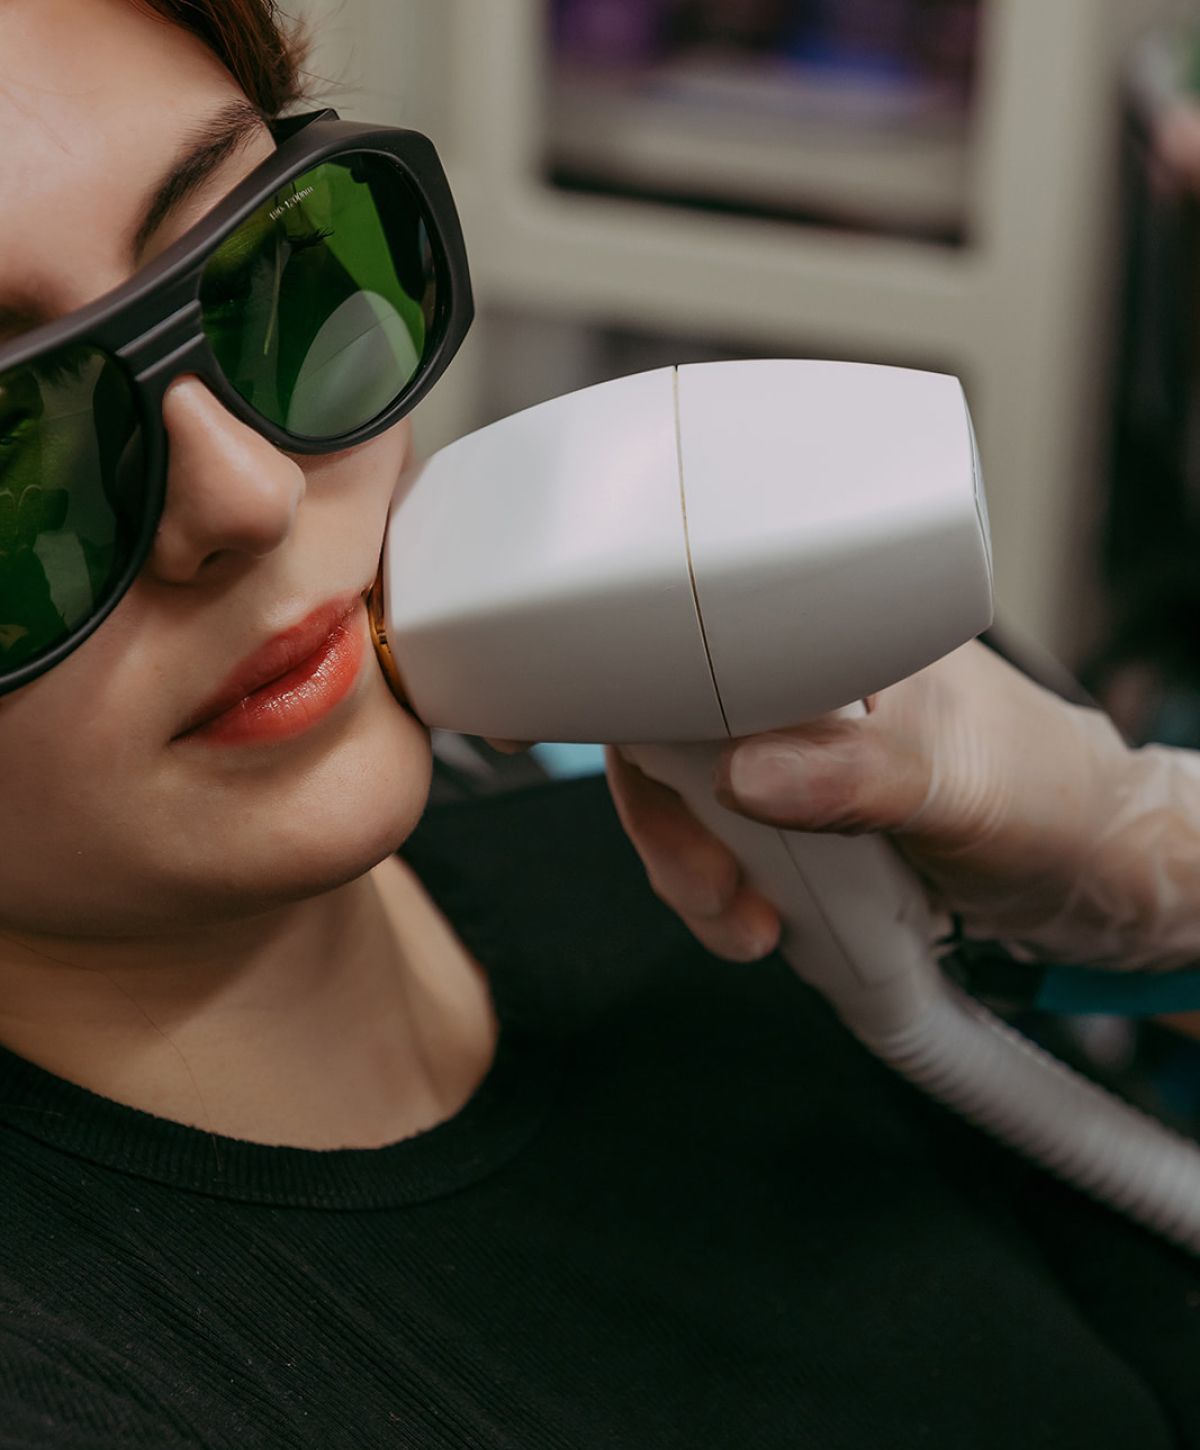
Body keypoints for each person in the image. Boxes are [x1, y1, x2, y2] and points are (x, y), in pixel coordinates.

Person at [0, 2, 1197, 1445]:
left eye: (267, 270)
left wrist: (1159, 881)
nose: (245, 499)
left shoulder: (687, 775)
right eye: (24, 470)